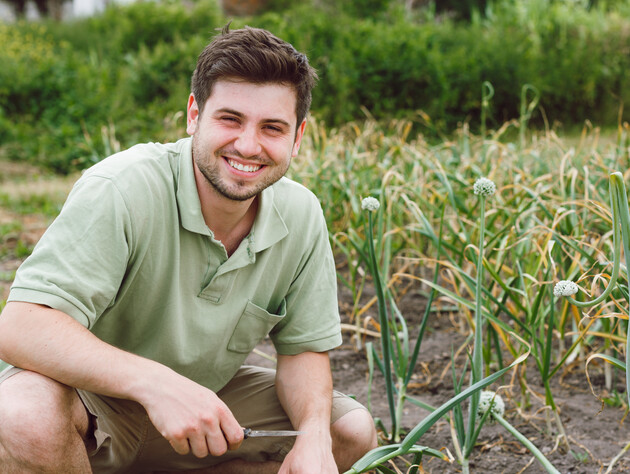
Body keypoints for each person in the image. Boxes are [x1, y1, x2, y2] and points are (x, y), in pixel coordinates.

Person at [0, 24, 377, 473]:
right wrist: (156, 383)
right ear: (194, 114)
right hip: (92, 408)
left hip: (204, 413)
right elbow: (21, 325)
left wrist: (314, 433)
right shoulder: (122, 188)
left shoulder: (301, 214)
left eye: (272, 128)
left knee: (347, 433)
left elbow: (302, 352)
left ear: (296, 137)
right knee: (23, 417)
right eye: (230, 119)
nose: (248, 145)